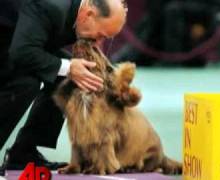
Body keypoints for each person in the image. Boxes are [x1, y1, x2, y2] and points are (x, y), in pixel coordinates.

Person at [0, 0, 127, 170]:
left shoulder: (78, 13)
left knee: (70, 77)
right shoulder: (49, 6)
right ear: (89, 14)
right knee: (26, 83)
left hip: (14, 41)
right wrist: (68, 67)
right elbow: (22, 51)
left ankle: (23, 153)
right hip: (10, 44)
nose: (98, 42)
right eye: (101, 35)